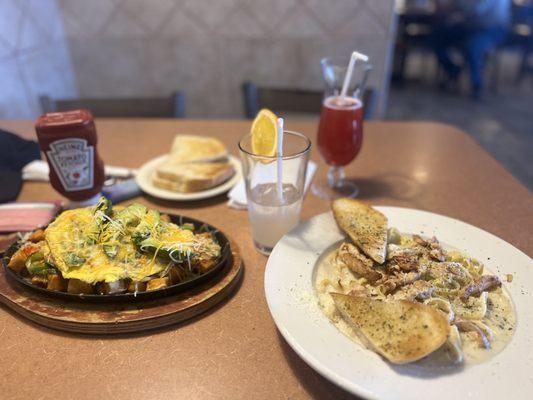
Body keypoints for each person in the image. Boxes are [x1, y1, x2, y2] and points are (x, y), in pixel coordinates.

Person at [430, 0, 511, 98]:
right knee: (437, 37)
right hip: (471, 26)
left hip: (492, 29)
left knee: (473, 46)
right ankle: (453, 70)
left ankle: (477, 84)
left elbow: (479, 9)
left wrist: (458, 13)